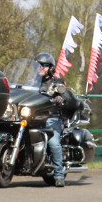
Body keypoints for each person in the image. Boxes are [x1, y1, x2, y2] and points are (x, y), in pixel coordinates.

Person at [34, 52, 68, 187]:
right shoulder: (32, 81)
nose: (42, 67)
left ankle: (59, 175)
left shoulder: (57, 82)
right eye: (39, 65)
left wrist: (60, 97)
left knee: (53, 143)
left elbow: (64, 95)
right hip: (34, 117)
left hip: (51, 118)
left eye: (45, 65)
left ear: (51, 67)